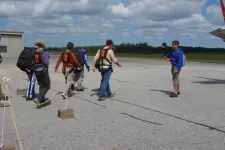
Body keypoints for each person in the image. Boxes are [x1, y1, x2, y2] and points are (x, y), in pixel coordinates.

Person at [32, 39, 51, 105]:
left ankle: (41, 100)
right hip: (43, 70)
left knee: (41, 85)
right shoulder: (44, 52)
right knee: (47, 85)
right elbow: (46, 62)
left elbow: (33, 61)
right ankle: (39, 98)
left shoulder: (35, 52)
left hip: (36, 70)